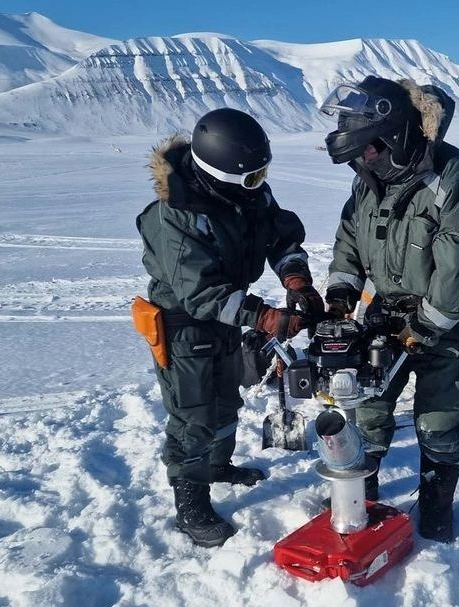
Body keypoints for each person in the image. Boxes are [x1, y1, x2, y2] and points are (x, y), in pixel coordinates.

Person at [135, 108, 324, 548]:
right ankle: (191, 501)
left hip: (224, 319)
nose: (260, 183)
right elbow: (201, 292)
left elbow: (280, 235)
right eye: (252, 176)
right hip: (185, 324)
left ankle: (218, 466)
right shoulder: (177, 215)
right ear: (218, 173)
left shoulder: (247, 194)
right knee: (193, 412)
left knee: (225, 398)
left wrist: (295, 277)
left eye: (263, 173)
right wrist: (267, 317)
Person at [320, 76, 459, 543]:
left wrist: (421, 329)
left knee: (438, 422)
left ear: (396, 135)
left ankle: (437, 510)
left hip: (448, 320)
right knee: (366, 411)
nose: (363, 160)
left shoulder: (455, 176)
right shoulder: (368, 179)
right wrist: (340, 298)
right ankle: (362, 498)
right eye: (357, 155)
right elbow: (349, 243)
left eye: (370, 149)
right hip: (385, 313)